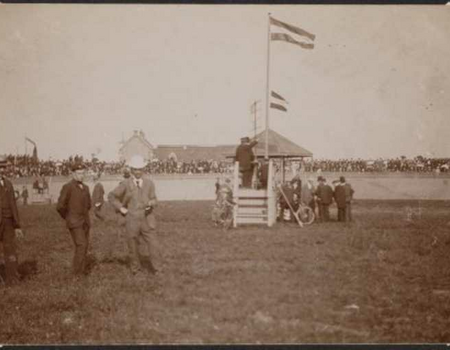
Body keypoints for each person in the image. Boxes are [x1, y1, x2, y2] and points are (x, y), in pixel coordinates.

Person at [108, 155, 158, 276]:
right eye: (135, 169)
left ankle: (157, 269)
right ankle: (136, 270)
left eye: (140, 169)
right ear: (131, 170)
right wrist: (121, 208)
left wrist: (151, 203)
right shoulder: (125, 184)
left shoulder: (149, 183)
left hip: (147, 219)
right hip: (132, 219)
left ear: (143, 170)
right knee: (133, 246)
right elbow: (111, 196)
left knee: (154, 244)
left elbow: (154, 199)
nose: (138, 172)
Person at [56, 163, 92, 276]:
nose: (81, 175)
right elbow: (60, 206)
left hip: (85, 221)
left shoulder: (86, 188)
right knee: (82, 245)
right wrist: (68, 217)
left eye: (83, 173)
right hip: (74, 222)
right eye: (78, 173)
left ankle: (81, 270)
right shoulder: (68, 187)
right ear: (73, 174)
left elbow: (89, 205)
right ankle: (77, 274)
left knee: (83, 245)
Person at [0, 156, 24, 285]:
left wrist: (17, 225)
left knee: (10, 250)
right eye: (0, 167)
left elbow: (13, 205)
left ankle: (12, 278)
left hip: (8, 221)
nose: (2, 170)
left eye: (3, 167)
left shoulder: (8, 183)